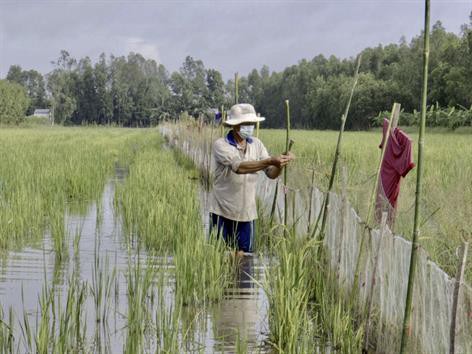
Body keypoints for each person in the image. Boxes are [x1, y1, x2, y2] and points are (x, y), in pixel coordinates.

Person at [209, 103, 294, 255]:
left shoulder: (257, 145)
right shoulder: (221, 145)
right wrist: (269, 161)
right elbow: (239, 167)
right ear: (235, 126)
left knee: (244, 259)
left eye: (251, 124)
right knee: (219, 256)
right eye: (245, 124)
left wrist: (280, 163)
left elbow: (271, 173)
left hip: (247, 213)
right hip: (222, 211)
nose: (249, 127)